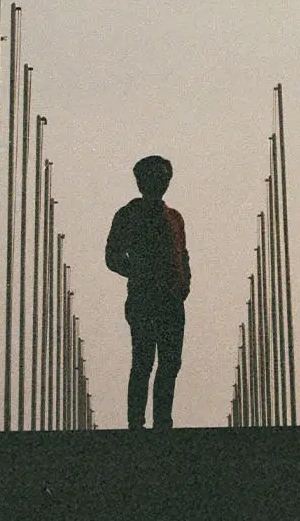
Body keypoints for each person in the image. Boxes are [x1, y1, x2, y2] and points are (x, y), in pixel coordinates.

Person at [106, 154, 191, 430]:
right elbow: (112, 255)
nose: (160, 182)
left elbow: (182, 254)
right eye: (154, 177)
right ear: (141, 181)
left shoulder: (175, 218)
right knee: (143, 360)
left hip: (171, 299)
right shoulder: (128, 215)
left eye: (164, 177)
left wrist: (183, 283)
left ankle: (162, 421)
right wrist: (136, 271)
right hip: (143, 298)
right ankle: (136, 422)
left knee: (170, 362)